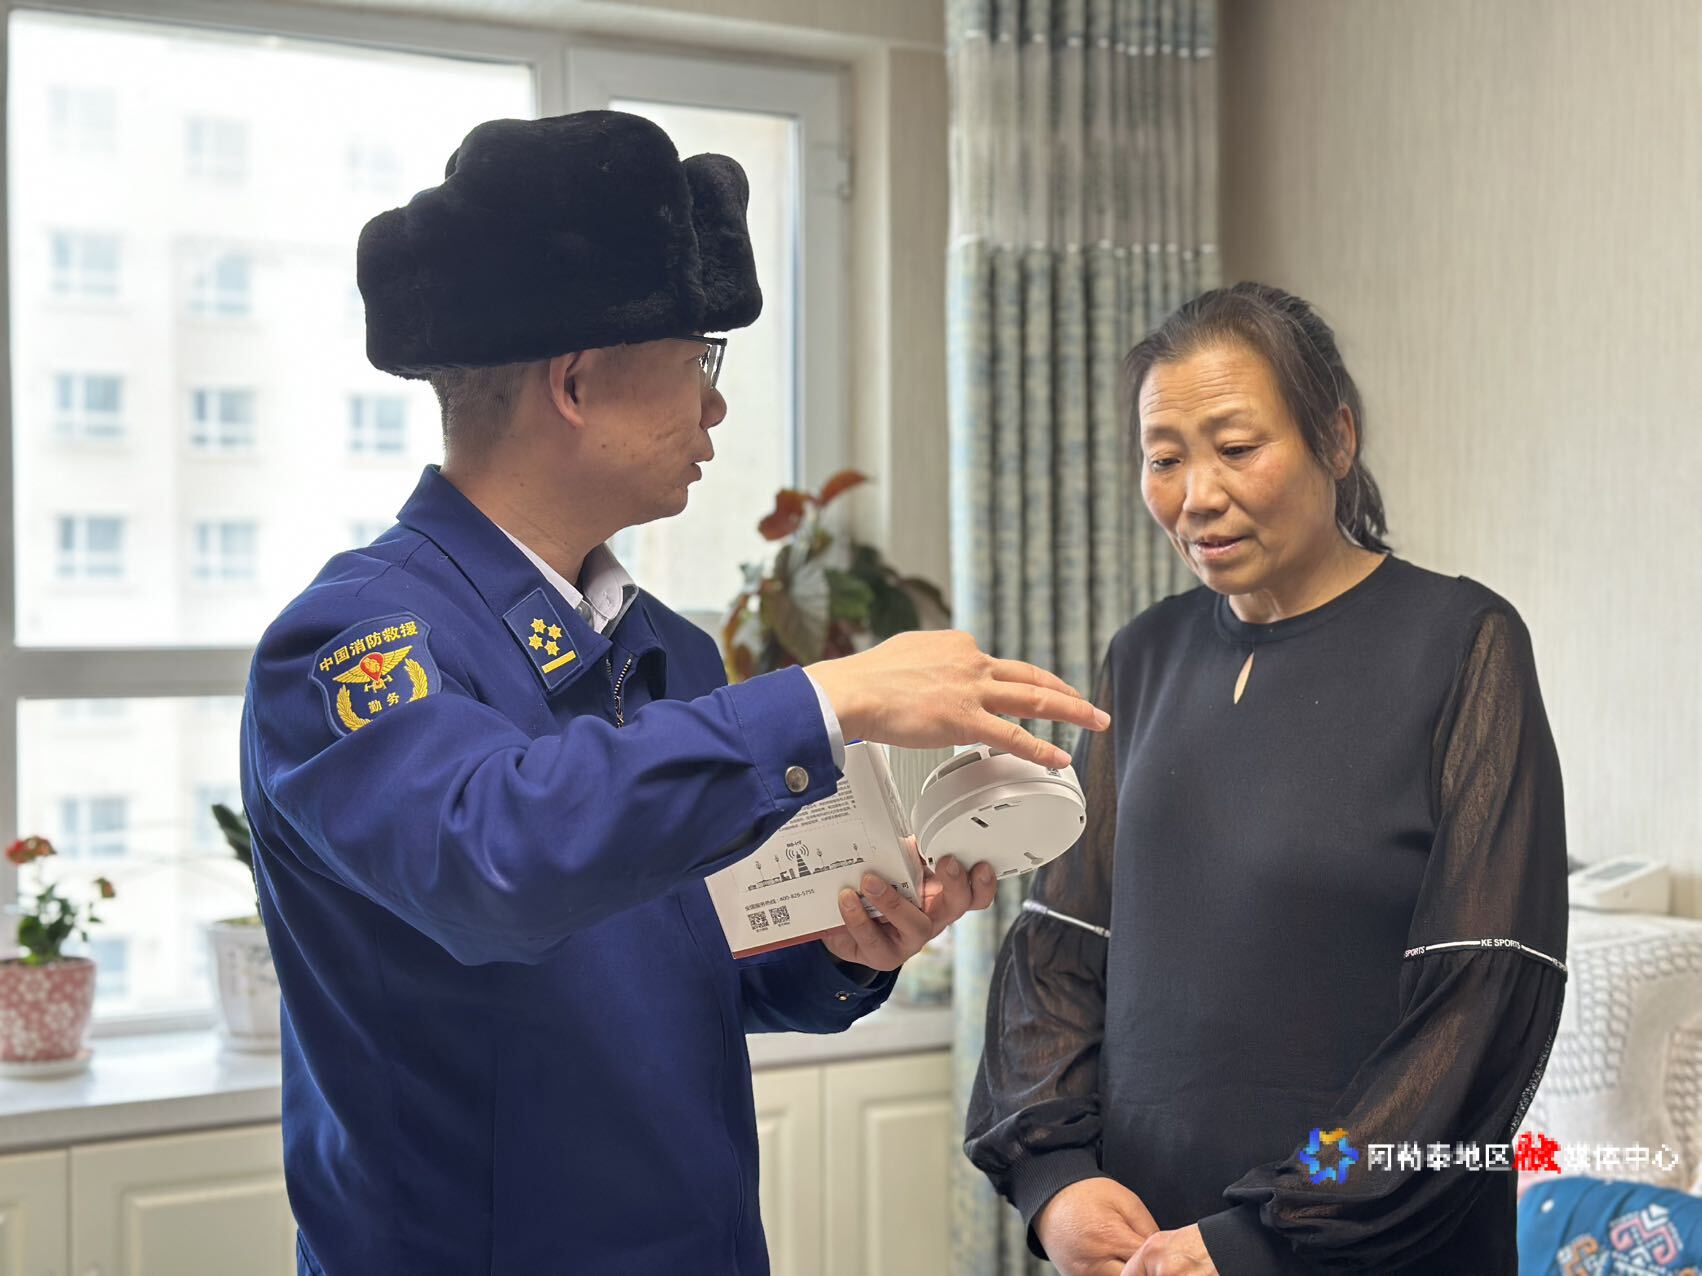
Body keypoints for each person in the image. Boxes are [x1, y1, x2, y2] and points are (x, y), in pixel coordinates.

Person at [239, 109, 1109, 1276]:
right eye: (700, 358)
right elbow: (497, 859)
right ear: (577, 381)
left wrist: (847, 947)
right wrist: (825, 700)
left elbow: (689, 970)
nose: (715, 407)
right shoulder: (352, 641)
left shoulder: (667, 652)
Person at [964, 282, 1569, 1276]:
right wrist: (1057, 1179)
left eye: (1237, 448)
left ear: (1337, 438)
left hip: (1363, 1249)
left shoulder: (1463, 644)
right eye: (1165, 458)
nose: (1196, 495)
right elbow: (1059, 949)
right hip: (1144, 1247)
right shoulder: (1142, 656)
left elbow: (1476, 1012)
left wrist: (1262, 1235)